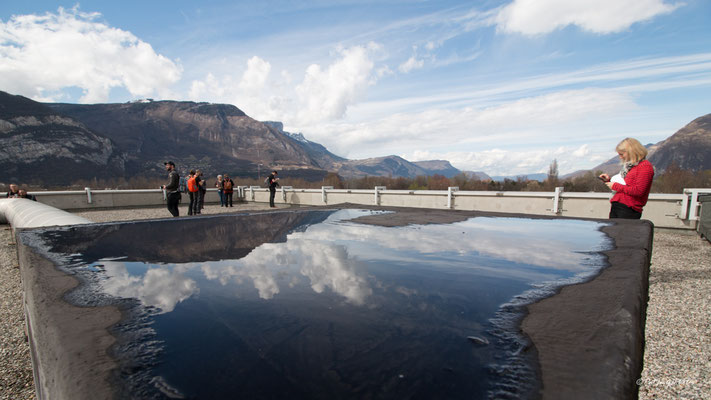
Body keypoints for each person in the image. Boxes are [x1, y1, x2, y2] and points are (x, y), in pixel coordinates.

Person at [599, 138, 654, 219]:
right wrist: (609, 180)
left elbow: (638, 191)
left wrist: (615, 186)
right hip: (618, 206)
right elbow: (626, 185)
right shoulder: (631, 166)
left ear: (631, 152)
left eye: (621, 154)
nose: (620, 157)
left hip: (629, 209)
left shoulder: (645, 167)